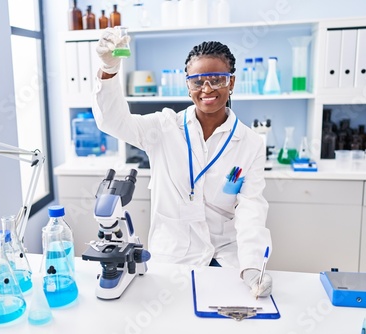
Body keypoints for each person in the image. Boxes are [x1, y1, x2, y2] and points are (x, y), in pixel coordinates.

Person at [92, 27, 272, 298]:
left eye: (217, 80)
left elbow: (252, 208)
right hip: (173, 256)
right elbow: (113, 121)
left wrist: (252, 266)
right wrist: (109, 69)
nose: (207, 89)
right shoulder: (164, 127)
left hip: (226, 257)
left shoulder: (251, 143)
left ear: (231, 83)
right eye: (198, 81)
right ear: (187, 85)